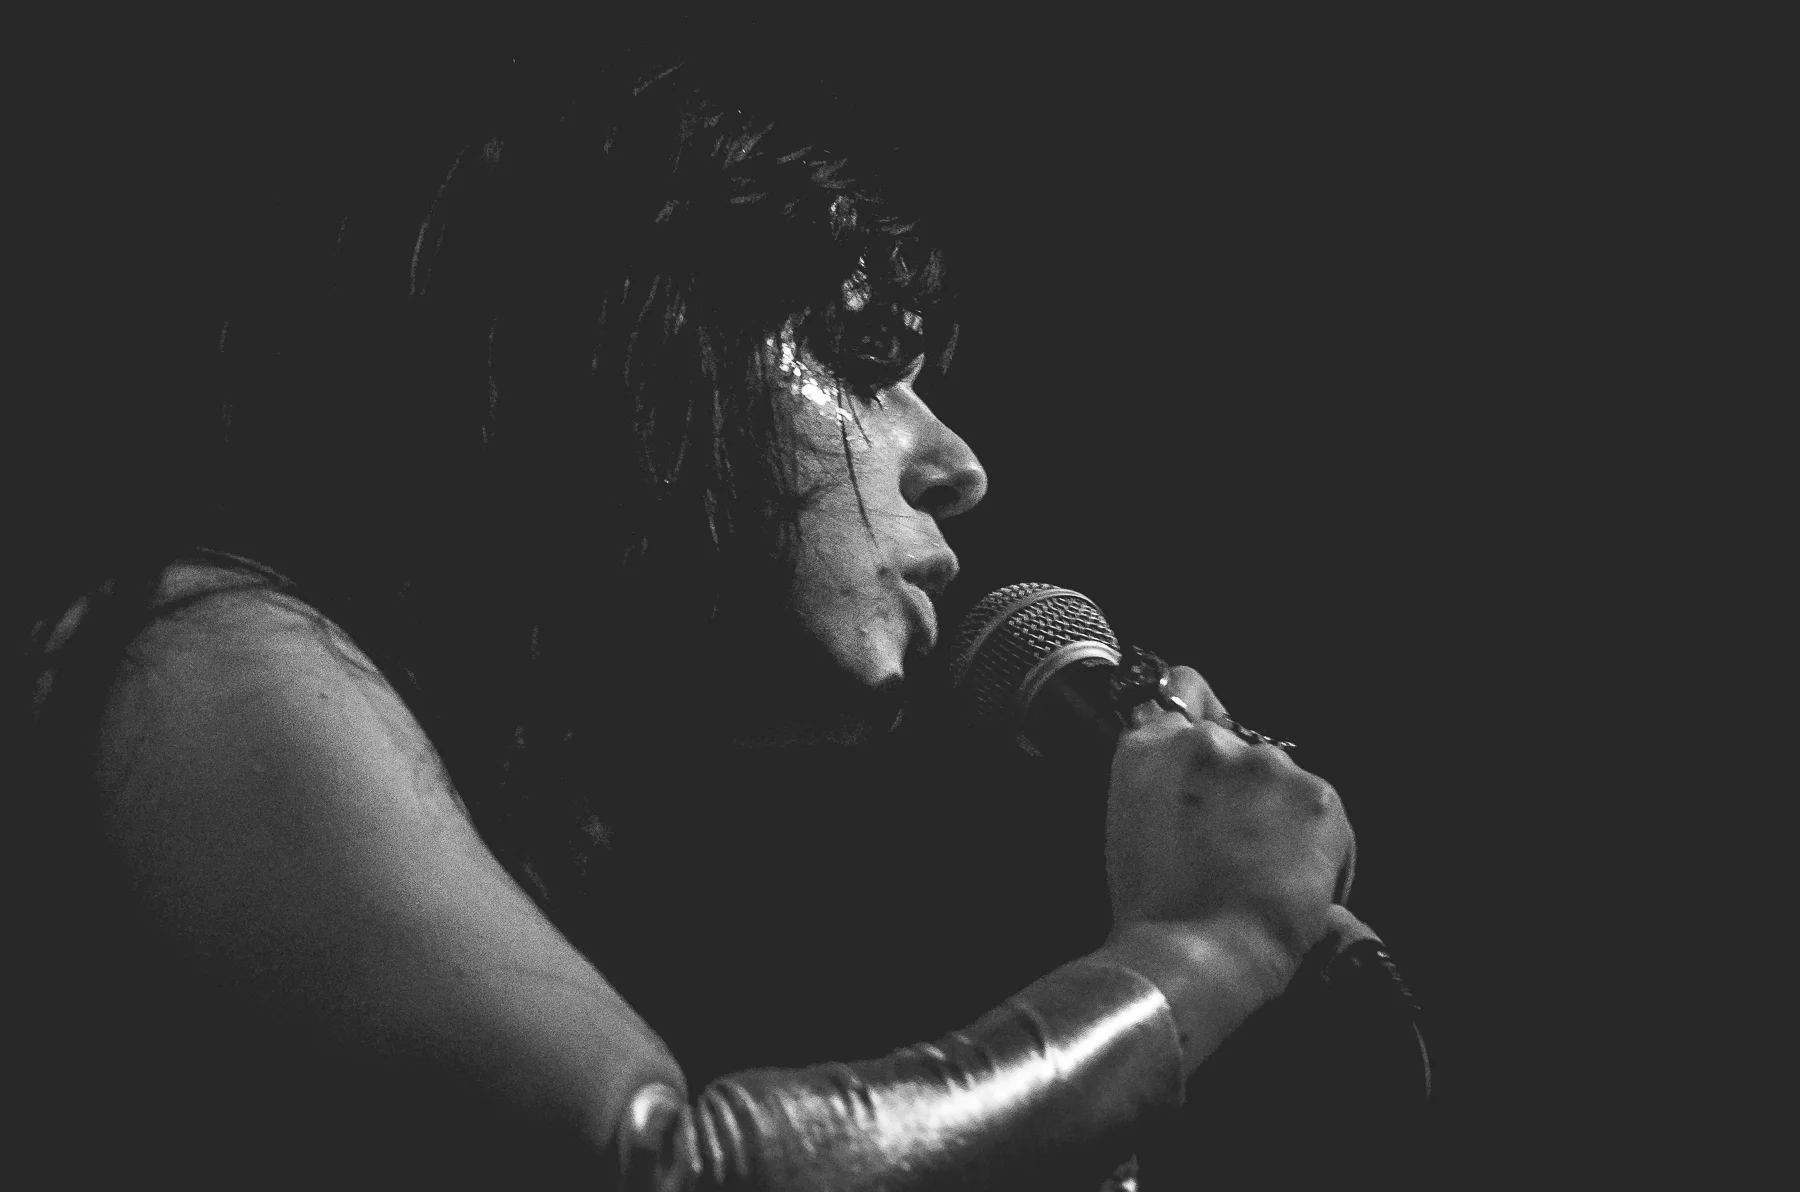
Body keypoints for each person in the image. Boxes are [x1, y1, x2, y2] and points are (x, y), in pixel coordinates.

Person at [22, 55, 1361, 1188]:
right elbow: (667, 1173)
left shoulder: (547, 830)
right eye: (863, 363)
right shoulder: (199, 645)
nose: (958, 464)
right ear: (629, 360)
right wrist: (1204, 949)